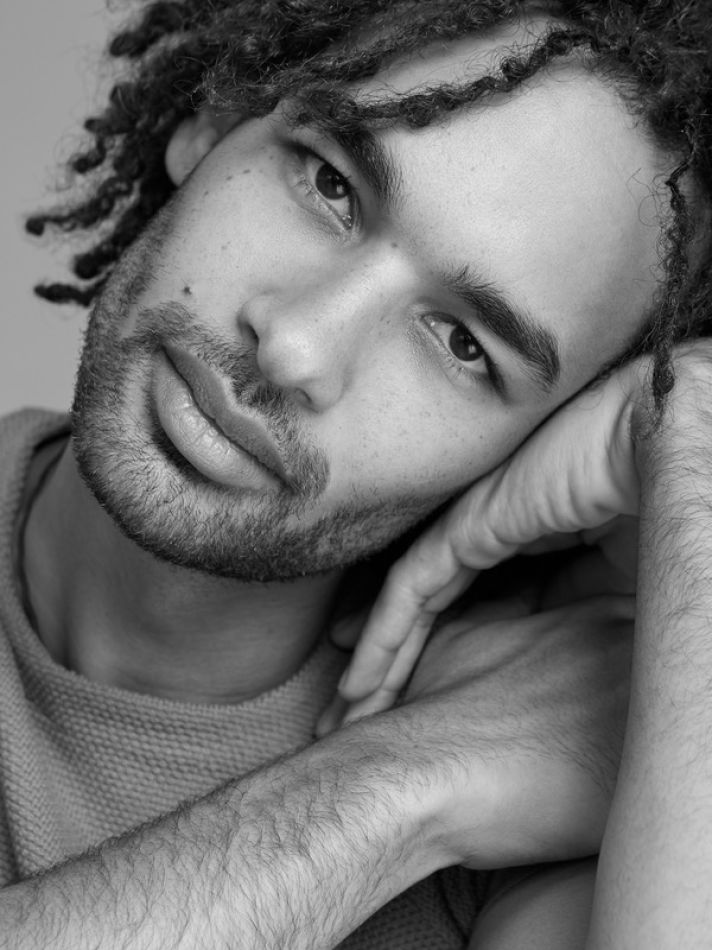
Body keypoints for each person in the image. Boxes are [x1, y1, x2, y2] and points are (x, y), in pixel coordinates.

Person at [1, 1, 711, 947]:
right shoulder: (504, 753)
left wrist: (689, 436)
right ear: (215, 115)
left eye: (461, 344)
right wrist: (403, 782)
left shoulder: (585, 789)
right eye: (330, 184)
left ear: (550, 438)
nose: (295, 346)